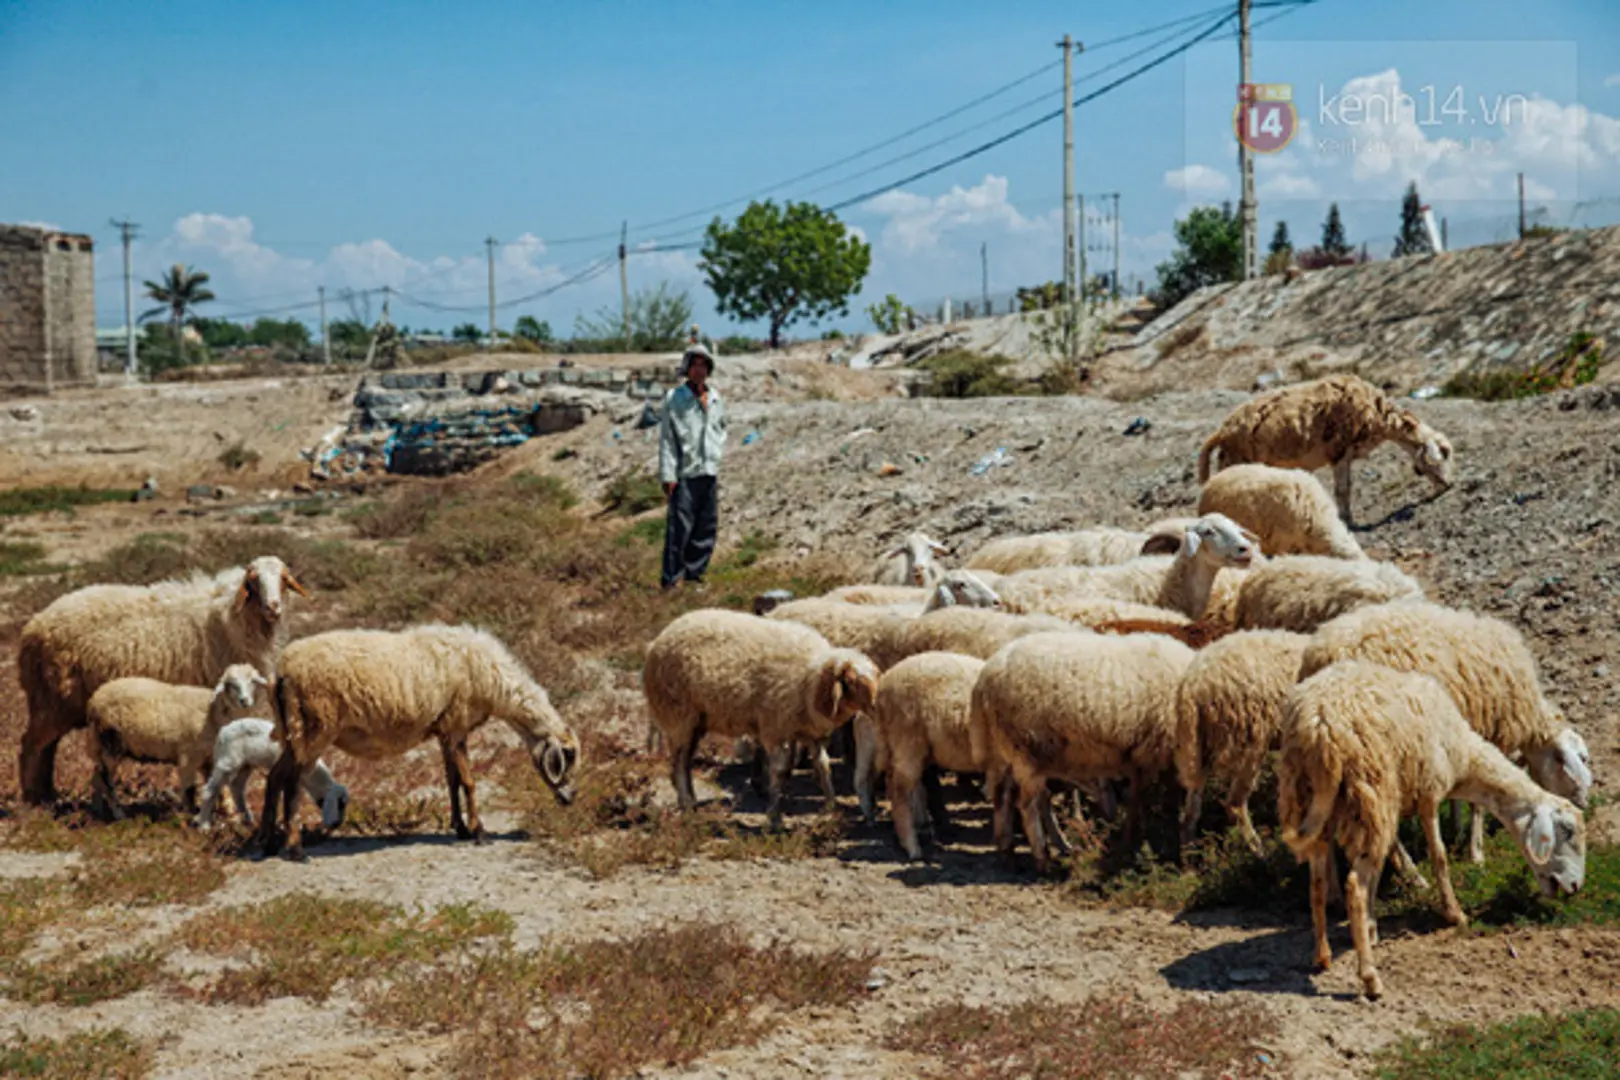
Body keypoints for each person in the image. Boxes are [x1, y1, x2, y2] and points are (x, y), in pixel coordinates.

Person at [658, 342, 726, 589]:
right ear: (687, 369)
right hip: (684, 472)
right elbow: (667, 439)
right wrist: (668, 474)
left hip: (708, 470)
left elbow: (721, 429)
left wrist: (716, 453)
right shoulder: (675, 398)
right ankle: (672, 578)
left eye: (703, 365)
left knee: (706, 526)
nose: (699, 370)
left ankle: (695, 575)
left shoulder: (716, 398)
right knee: (680, 528)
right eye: (694, 365)